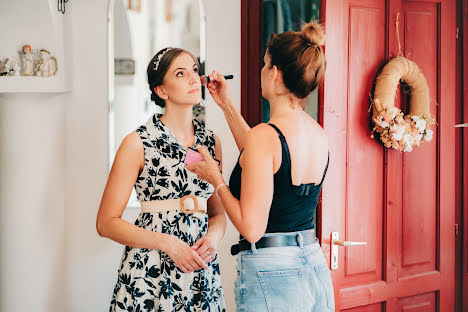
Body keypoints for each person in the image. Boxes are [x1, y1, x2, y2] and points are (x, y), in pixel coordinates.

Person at [187, 22, 335, 311]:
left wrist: (216, 178)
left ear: (276, 74)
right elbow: (263, 160)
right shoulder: (317, 132)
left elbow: (251, 229)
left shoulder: (265, 137)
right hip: (313, 263)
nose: (262, 71)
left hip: (273, 273)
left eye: (265, 64)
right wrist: (226, 103)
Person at [96, 47, 226, 312]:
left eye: (194, 70)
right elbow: (106, 223)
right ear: (161, 91)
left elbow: (217, 214)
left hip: (199, 274)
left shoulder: (211, 142)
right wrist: (167, 243)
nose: (192, 79)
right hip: (149, 273)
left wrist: (212, 239)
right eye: (180, 73)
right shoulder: (137, 143)